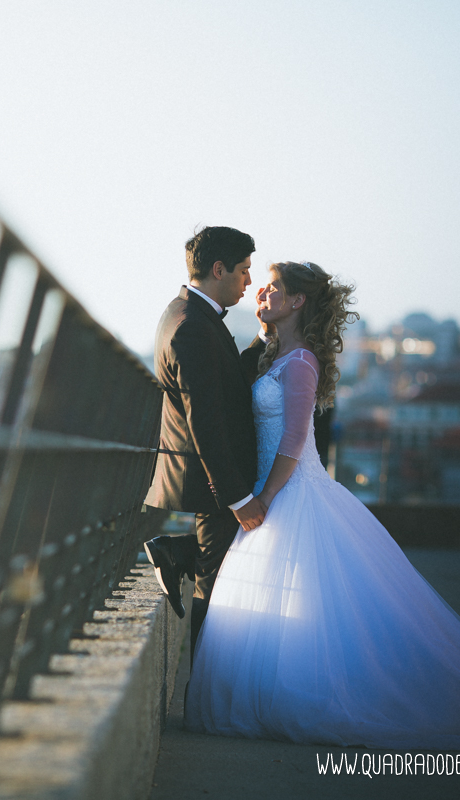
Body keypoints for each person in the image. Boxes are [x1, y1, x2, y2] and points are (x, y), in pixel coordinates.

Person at [184, 261, 460, 749]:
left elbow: (295, 440)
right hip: (273, 489)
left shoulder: (301, 362)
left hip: (289, 491)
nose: (262, 291)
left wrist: (265, 497)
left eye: (274, 287)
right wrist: (264, 331)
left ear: (298, 301)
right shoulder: (278, 355)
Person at [141, 226, 266, 662]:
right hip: (212, 482)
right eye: (244, 270)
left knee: (224, 569)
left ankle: (176, 549)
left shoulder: (187, 312)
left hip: (209, 478)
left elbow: (224, 381)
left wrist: (263, 339)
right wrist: (237, 497)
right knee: (212, 590)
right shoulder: (192, 327)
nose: (249, 281)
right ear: (218, 269)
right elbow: (206, 423)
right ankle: (202, 691)